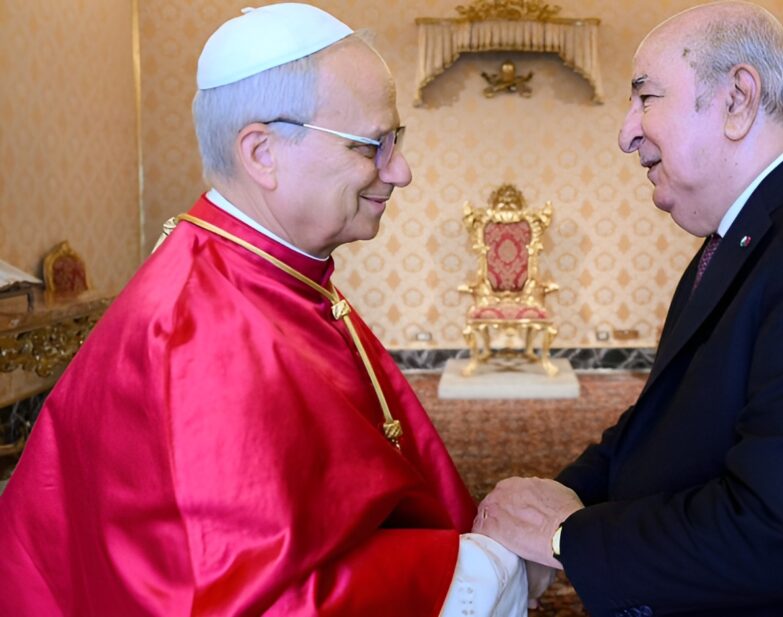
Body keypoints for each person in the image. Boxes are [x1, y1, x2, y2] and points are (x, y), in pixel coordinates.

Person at [0, 4, 526, 615]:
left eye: (397, 142)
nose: (399, 172)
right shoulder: (197, 333)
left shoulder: (265, 273)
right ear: (262, 153)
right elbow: (248, 600)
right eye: (372, 146)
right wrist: (485, 567)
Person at [474, 2, 783, 616]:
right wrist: (561, 492)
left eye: (645, 98)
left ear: (737, 99)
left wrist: (563, 537)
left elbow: (776, 531)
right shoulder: (747, 236)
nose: (625, 132)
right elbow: (666, 422)